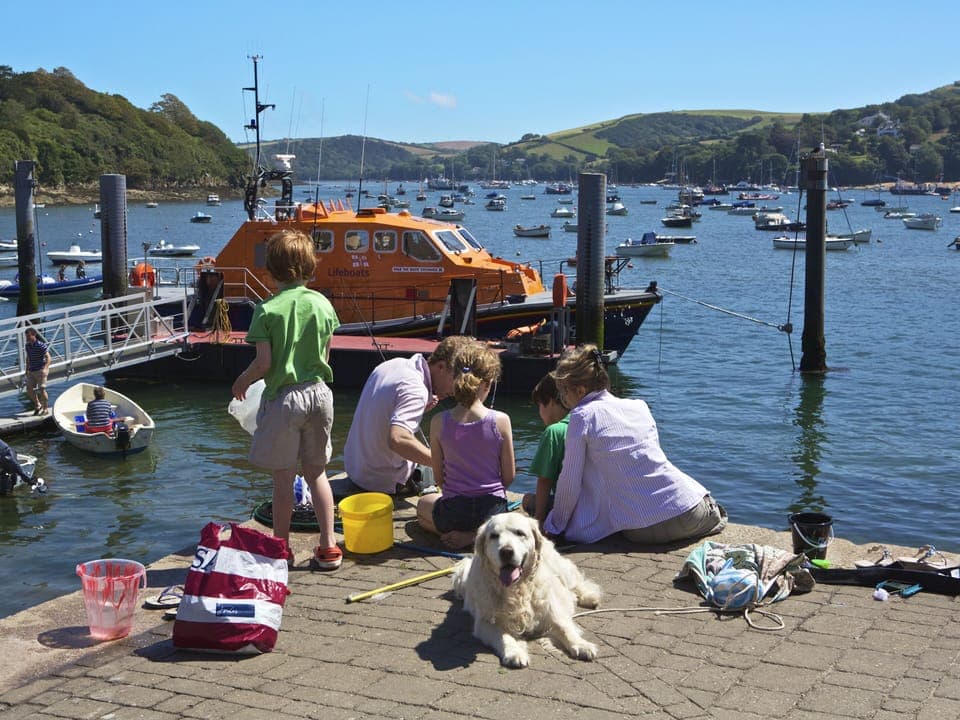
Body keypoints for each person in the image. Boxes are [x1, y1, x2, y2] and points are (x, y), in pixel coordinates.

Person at [231, 229, 342, 570]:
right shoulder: (322, 304)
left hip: (285, 398)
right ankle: (328, 546)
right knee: (317, 473)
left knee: (283, 479)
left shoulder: (266, 310)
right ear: (311, 266)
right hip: (320, 393)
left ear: (271, 270)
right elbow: (326, 356)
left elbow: (264, 363)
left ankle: (281, 548)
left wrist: (243, 379)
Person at [544, 344, 727, 545]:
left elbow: (569, 481)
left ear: (579, 390)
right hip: (690, 509)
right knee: (711, 506)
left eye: (563, 392)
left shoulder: (582, 416)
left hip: (641, 529)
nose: (563, 399)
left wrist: (555, 526)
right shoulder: (639, 406)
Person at [343, 334, 474, 496]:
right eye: (456, 381)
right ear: (441, 366)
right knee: (448, 470)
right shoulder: (416, 390)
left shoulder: (394, 364)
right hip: (380, 480)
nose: (456, 391)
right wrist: (445, 463)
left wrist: (420, 409)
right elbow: (398, 439)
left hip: (355, 469)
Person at [416, 341, 515, 549]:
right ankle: (477, 536)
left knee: (423, 505)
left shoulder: (438, 422)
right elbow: (509, 477)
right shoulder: (501, 420)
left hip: (454, 512)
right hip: (493, 512)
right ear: (487, 384)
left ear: (454, 379)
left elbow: (440, 479)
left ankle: (462, 535)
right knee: (503, 521)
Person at [521, 372, 568, 530]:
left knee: (527, 500)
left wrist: (539, 521)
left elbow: (544, 480)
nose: (539, 413)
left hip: (568, 509)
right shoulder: (583, 421)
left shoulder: (554, 432)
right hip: (594, 507)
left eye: (540, 405)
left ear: (551, 402)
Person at [23, 327, 50, 415]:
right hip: (31, 370)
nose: (27, 338)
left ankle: (45, 408)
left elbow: (48, 357)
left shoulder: (41, 345)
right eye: (26, 336)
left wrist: (45, 368)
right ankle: (38, 404)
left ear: (34, 335)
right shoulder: (27, 346)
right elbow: (28, 358)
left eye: (28, 336)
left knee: (42, 389)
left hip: (40, 370)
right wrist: (26, 370)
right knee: (29, 389)